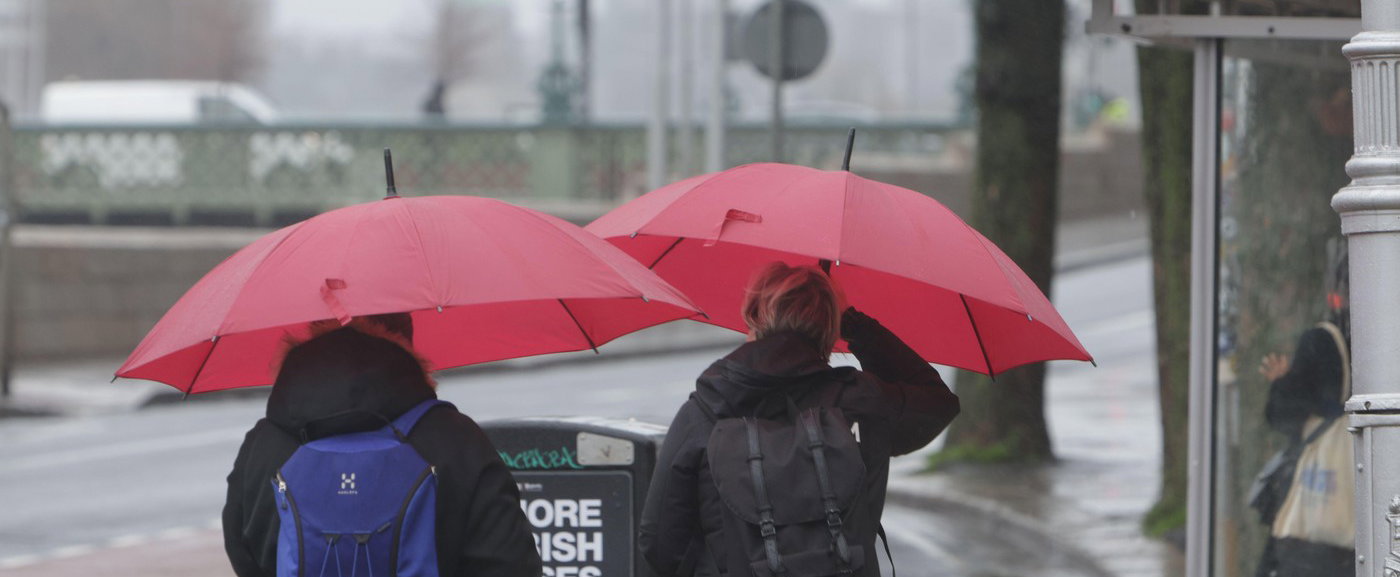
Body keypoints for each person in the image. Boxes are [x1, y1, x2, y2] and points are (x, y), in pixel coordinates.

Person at [639, 263, 961, 577]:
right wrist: (852, 320)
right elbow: (936, 403)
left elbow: (659, 542)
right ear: (829, 329)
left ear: (753, 317)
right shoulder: (862, 402)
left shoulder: (706, 411)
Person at [222, 315, 541, 577]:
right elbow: (510, 562)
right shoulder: (456, 439)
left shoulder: (263, 445)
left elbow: (244, 552)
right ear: (406, 342)